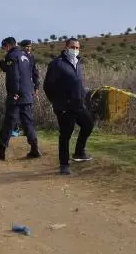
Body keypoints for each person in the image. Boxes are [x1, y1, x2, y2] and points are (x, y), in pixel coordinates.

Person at [43, 37, 94, 175]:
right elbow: (48, 86)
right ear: (66, 48)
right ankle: (64, 165)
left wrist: (84, 93)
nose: (75, 50)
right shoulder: (57, 64)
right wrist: (58, 103)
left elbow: (77, 83)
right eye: (73, 47)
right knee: (66, 134)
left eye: (77, 48)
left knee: (88, 124)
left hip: (78, 105)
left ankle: (79, 152)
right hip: (64, 107)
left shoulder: (77, 63)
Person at [0, 37, 40, 160]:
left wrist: (14, 92)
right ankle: (34, 149)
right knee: (28, 123)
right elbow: (26, 73)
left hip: (16, 96)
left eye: (4, 47)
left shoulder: (11, 56)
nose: (4, 50)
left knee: (8, 123)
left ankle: (1, 151)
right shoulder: (25, 56)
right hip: (27, 94)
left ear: (8, 46)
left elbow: (14, 76)